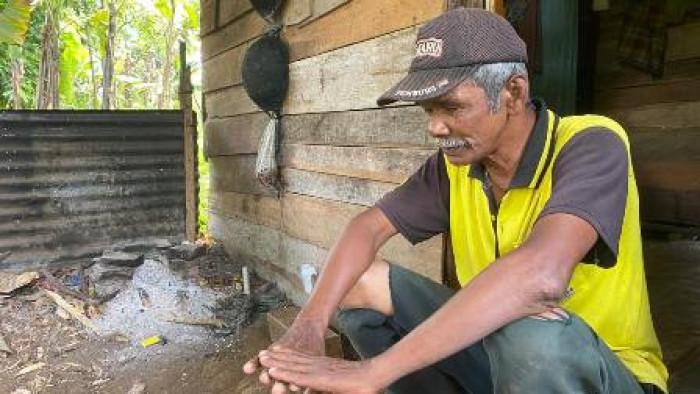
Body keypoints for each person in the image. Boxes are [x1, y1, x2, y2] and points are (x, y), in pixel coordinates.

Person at [243, 8, 668, 394]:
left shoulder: (591, 142)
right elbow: (366, 228)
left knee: (533, 337)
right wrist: (310, 326)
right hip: (499, 354)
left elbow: (541, 276)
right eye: (427, 110)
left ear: (514, 93)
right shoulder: (455, 166)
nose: (435, 127)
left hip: (598, 369)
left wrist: (372, 372)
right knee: (354, 284)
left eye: (450, 107)